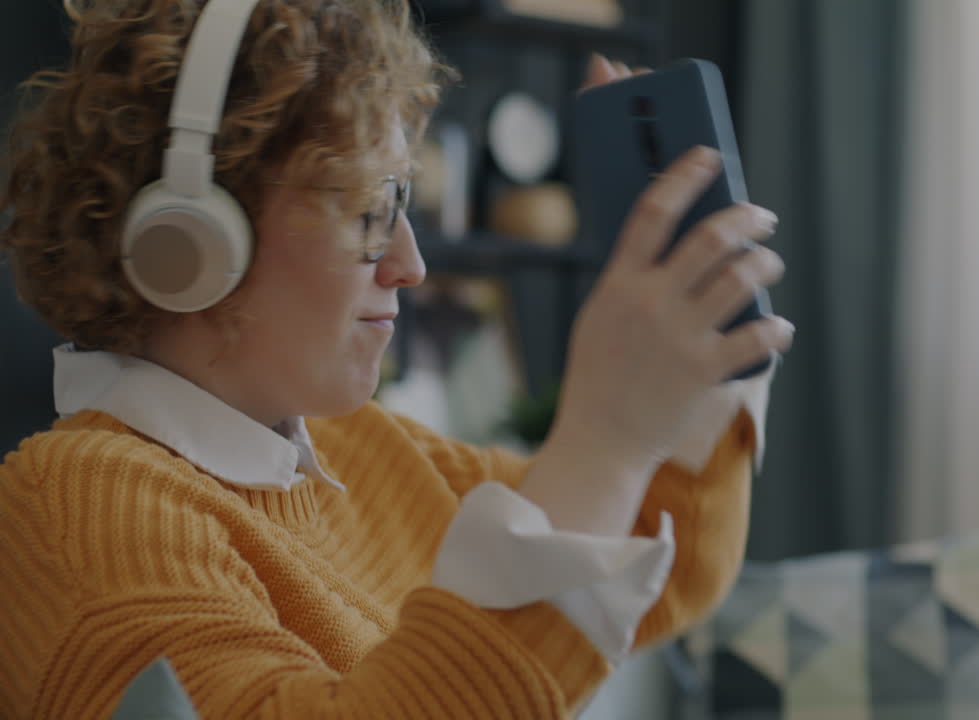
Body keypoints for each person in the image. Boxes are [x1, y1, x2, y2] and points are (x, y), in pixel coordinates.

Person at [0, 0, 792, 717]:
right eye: (368, 209)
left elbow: (660, 560)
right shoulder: (76, 509)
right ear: (194, 239)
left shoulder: (365, 451)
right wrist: (607, 439)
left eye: (403, 202)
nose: (411, 264)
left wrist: (701, 355)